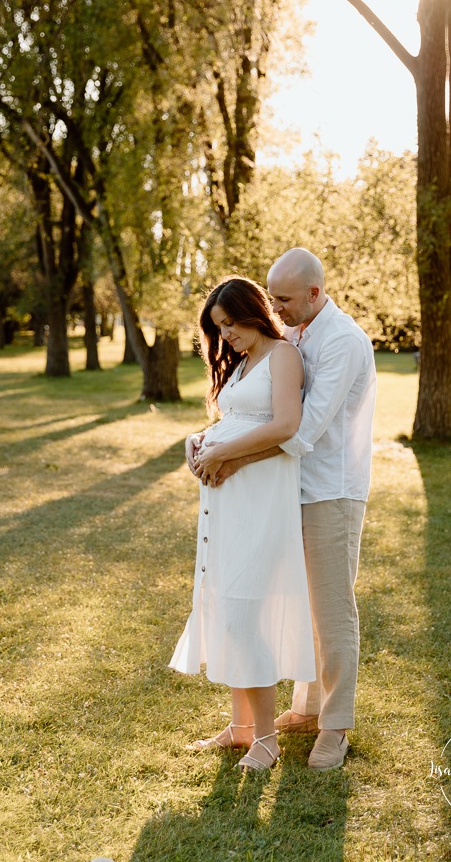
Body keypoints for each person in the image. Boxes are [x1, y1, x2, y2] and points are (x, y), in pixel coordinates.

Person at [188, 248, 376, 770]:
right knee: (282, 601)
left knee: (331, 610)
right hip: (282, 489)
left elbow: (303, 429)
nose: (277, 308)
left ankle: (335, 727)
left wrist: (229, 456)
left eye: (285, 299)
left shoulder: (343, 342)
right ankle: (305, 710)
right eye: (271, 297)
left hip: (329, 489)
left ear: (315, 293)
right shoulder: (293, 334)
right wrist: (217, 445)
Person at [170, 276, 316, 772]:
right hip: (228, 502)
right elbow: (235, 420)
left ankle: (268, 740)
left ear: (254, 312)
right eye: (219, 328)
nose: (226, 335)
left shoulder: (283, 357)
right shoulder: (244, 363)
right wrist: (200, 441)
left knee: (243, 614)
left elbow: (284, 426)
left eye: (230, 324)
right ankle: (241, 728)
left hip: (260, 500)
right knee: (229, 608)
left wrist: (224, 451)